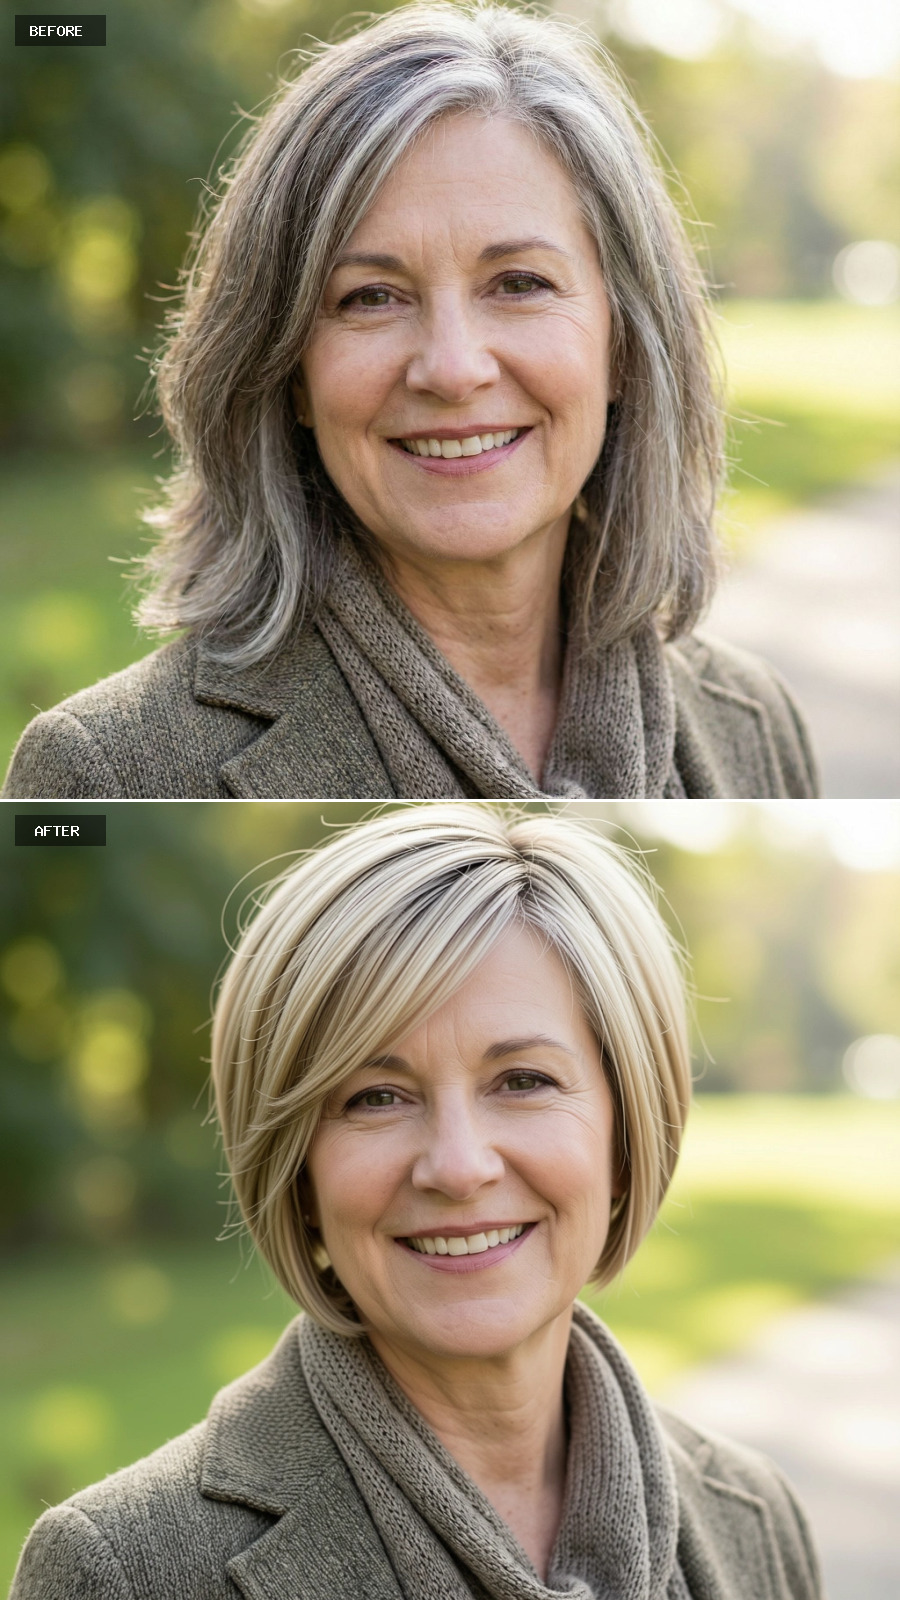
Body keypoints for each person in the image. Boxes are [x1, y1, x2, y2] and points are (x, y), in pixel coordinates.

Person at [3, 4, 818, 802]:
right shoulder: (106, 771)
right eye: (371, 298)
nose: (453, 368)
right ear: (288, 372)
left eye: (520, 283)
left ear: (626, 346)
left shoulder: (754, 722)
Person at [11, 805, 823, 1599]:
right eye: (376, 1097)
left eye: (524, 1081)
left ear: (627, 1128)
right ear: (297, 1170)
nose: (458, 1166)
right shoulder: (119, 1572)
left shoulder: (753, 1517)